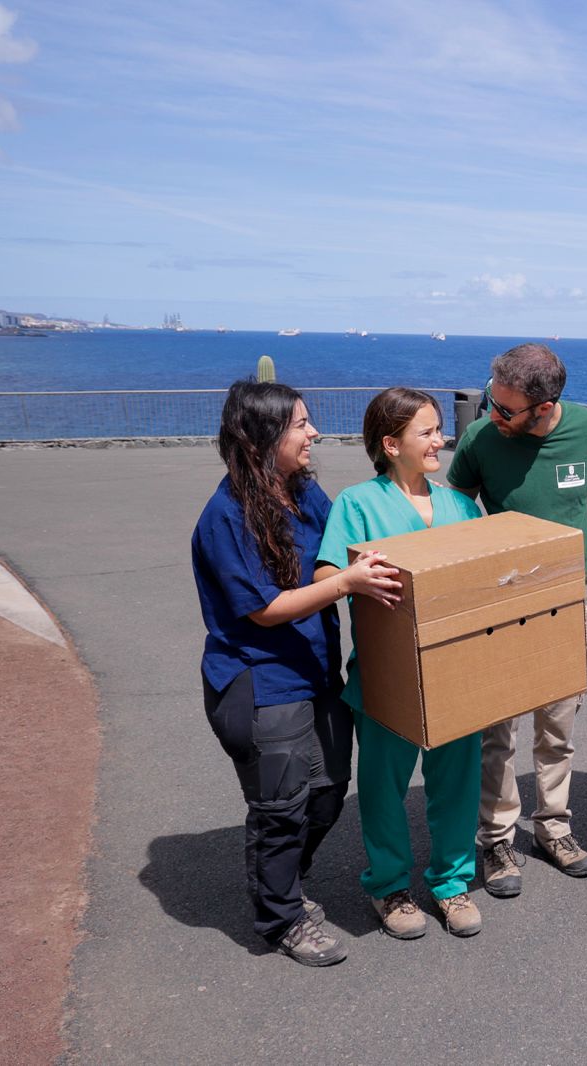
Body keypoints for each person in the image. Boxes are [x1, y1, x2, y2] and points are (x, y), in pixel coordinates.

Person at [191, 379, 402, 966]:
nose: (314, 434)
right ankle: (279, 917)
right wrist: (347, 585)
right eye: (300, 425)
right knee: (281, 807)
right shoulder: (227, 515)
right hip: (260, 682)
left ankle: (281, 882)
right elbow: (264, 609)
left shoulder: (300, 493)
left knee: (329, 794)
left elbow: (337, 555)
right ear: (262, 437)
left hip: (313, 671)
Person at [446, 343, 587, 897]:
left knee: (558, 728)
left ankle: (553, 827)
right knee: (497, 731)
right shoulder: (480, 439)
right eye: (490, 403)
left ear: (545, 406)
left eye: (506, 410)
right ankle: (497, 837)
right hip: (501, 612)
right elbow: (453, 509)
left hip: (566, 606)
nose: (492, 417)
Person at [315, 388, 485, 939]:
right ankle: (388, 887)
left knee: (457, 780)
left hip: (456, 669)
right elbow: (324, 577)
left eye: (440, 429)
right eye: (427, 432)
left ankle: (452, 884)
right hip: (388, 674)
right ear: (391, 444)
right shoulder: (358, 504)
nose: (441, 440)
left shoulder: (460, 504)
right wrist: (354, 578)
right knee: (384, 784)